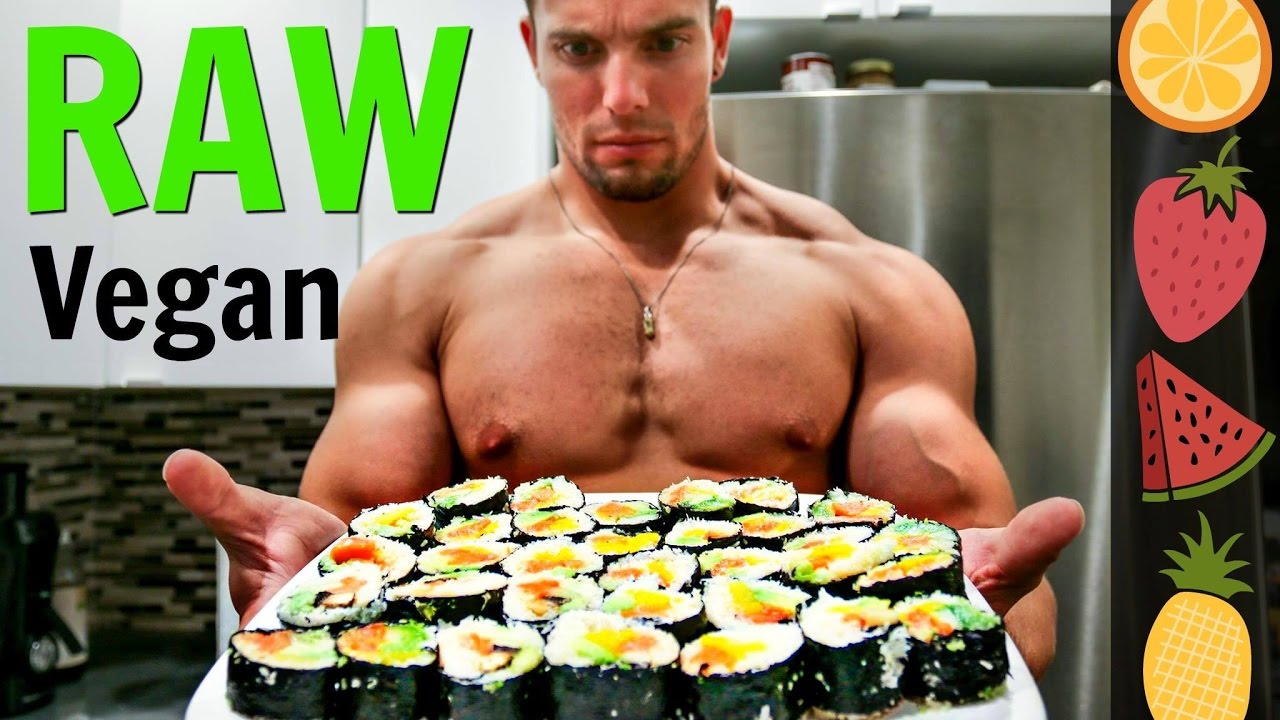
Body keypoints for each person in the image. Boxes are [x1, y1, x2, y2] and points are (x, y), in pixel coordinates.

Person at [163, 0, 1084, 678]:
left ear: (718, 40)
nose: (622, 96)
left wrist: (986, 605)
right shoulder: (416, 291)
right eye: (578, 49)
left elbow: (1013, 610)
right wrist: (306, 583)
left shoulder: (876, 290)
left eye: (664, 43)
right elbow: (351, 572)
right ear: (532, 50)